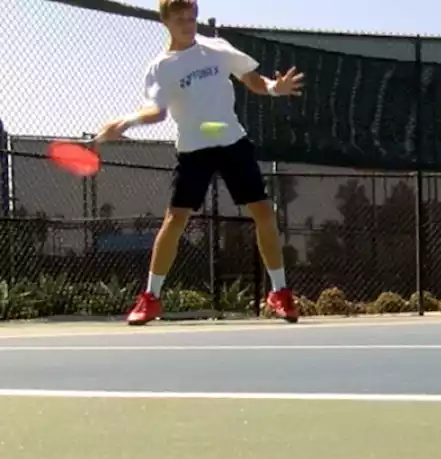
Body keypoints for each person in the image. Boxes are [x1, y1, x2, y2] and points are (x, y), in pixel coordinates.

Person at [93, 0, 305, 325]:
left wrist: (276, 88)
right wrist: (125, 122)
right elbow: (157, 111)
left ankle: (280, 293)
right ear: (166, 21)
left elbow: (252, 80)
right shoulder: (161, 67)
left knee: (263, 212)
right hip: (194, 150)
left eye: (192, 18)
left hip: (233, 142)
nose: (188, 24)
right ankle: (151, 298)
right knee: (175, 219)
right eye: (181, 19)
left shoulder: (217, 49)